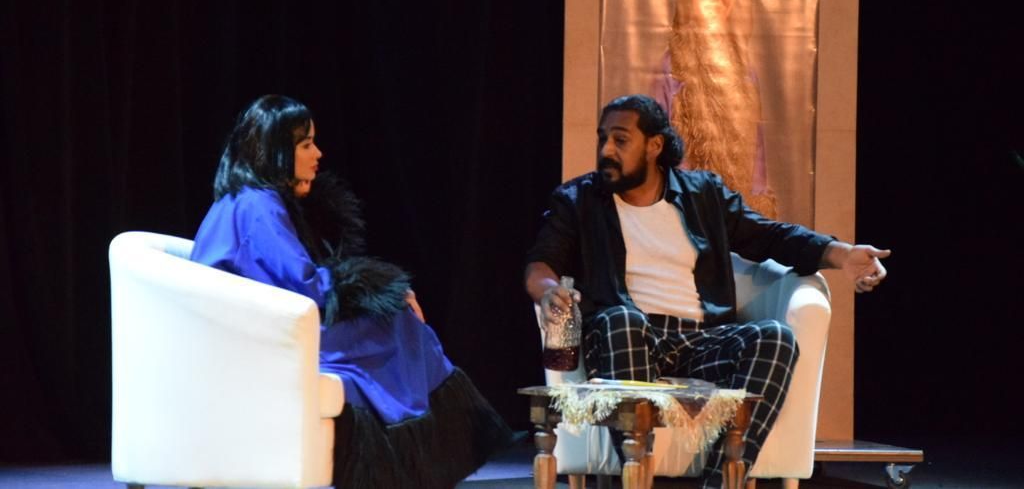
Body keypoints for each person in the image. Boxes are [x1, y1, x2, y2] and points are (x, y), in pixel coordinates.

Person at [524, 94, 889, 488]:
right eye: (603, 139)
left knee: (775, 337)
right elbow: (541, 263)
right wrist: (547, 292)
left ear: (654, 145)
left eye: (620, 140)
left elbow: (769, 237)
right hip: (627, 337)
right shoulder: (578, 200)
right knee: (621, 320)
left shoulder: (703, 194)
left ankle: (719, 483)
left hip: (699, 340)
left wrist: (841, 254)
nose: (606, 150)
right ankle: (637, 479)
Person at [191, 95, 511, 489]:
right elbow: (306, 285)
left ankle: (406, 459)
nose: (318, 154)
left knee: (393, 321)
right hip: (265, 338)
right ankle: (413, 457)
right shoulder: (259, 206)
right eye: (306, 145)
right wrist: (384, 292)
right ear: (275, 150)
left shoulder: (242, 199)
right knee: (397, 324)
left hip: (255, 329)